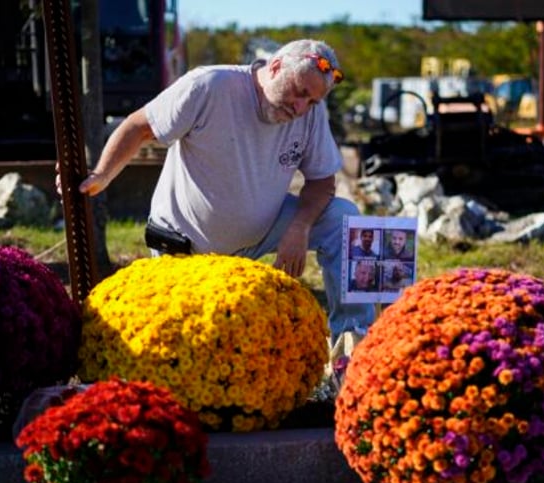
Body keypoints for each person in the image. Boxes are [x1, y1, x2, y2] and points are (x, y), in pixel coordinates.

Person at [60, 39, 374, 342]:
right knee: (192, 339)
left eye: (313, 102)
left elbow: (322, 181)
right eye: (300, 92)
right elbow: (138, 126)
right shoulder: (210, 85)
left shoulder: (310, 114)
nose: (301, 107)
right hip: (185, 244)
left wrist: (300, 227)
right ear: (276, 67)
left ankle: (354, 341)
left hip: (260, 234)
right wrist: (101, 174)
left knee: (345, 220)